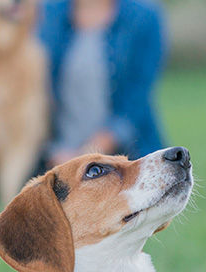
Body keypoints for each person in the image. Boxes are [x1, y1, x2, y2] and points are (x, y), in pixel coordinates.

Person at [38, 0, 166, 168]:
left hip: (128, 156)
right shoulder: (45, 14)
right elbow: (32, 92)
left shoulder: (144, 17)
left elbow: (135, 102)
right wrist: (53, 151)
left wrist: (84, 155)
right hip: (54, 156)